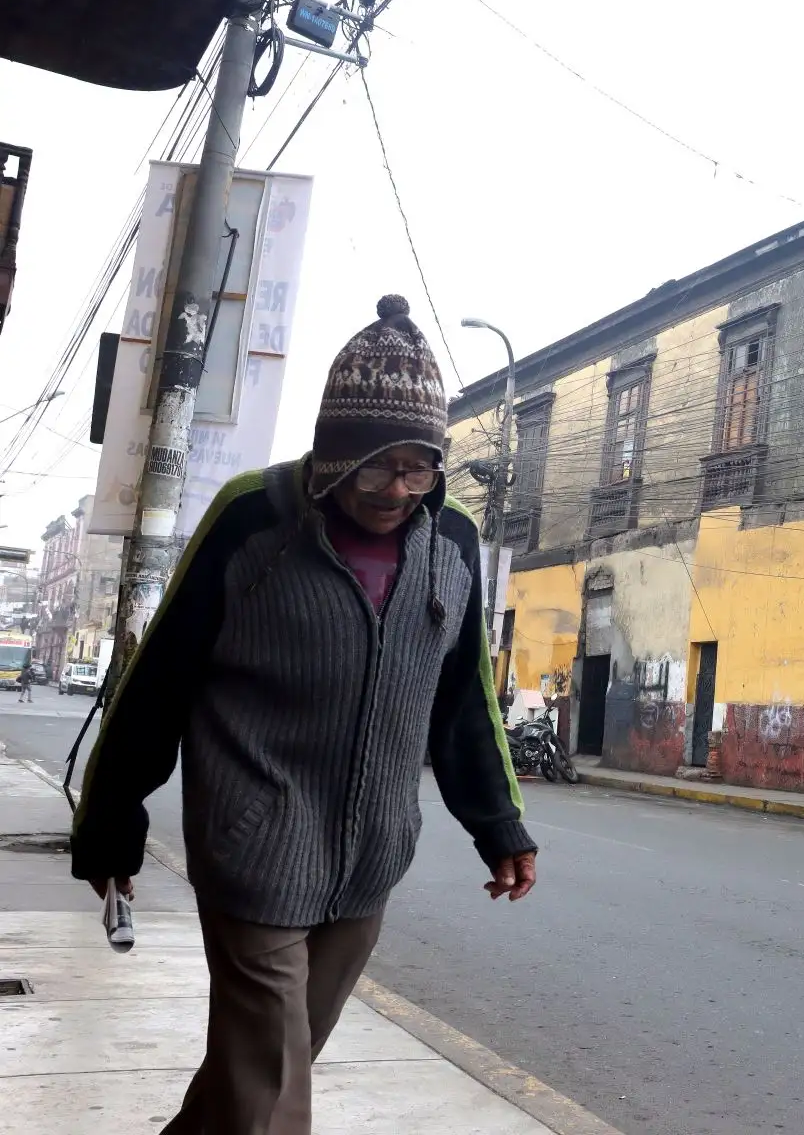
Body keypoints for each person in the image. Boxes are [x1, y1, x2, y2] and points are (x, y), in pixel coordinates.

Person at [70, 295, 539, 1134]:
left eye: (419, 467)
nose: (397, 489)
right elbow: (159, 679)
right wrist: (111, 820)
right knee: (271, 1101)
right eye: (375, 466)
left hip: (368, 861)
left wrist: (498, 824)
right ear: (333, 452)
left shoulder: (454, 544)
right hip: (252, 846)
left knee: (249, 1080)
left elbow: (462, 694)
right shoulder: (255, 518)